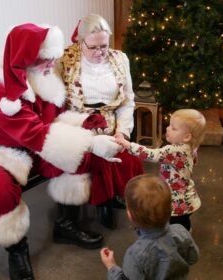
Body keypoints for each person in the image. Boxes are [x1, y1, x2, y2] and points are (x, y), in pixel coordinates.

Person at [0, 23, 123, 280]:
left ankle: (65, 225)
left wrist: (82, 124)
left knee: (79, 158)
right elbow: (36, 134)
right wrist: (90, 141)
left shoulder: (39, 76)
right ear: (27, 57)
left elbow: (49, 122)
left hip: (29, 145)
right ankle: (16, 251)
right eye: (48, 59)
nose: (52, 64)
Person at [59, 14, 143, 230]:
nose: (99, 53)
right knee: (92, 156)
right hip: (77, 125)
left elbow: (127, 101)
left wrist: (122, 132)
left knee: (124, 153)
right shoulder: (65, 60)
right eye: (93, 47)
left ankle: (108, 199)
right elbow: (56, 103)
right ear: (80, 41)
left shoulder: (120, 59)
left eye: (104, 46)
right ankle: (95, 204)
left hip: (111, 123)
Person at [117, 109, 206, 231]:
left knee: (176, 224)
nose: (167, 128)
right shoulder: (191, 147)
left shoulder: (174, 151)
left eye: (173, 128)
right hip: (185, 197)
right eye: (169, 125)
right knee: (182, 222)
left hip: (176, 202)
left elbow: (150, 154)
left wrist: (128, 145)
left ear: (186, 137)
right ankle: (183, 235)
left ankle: (180, 241)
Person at [100, 174, 199, 279]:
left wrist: (111, 267)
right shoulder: (181, 232)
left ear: (130, 215)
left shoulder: (135, 255)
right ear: (171, 208)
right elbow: (193, 258)